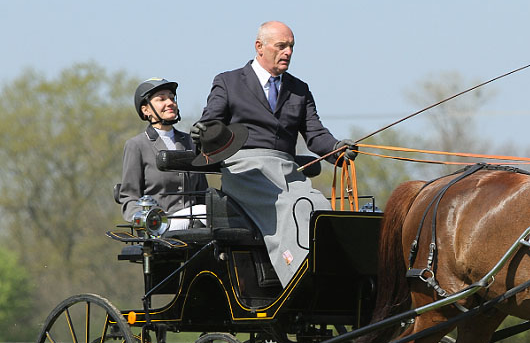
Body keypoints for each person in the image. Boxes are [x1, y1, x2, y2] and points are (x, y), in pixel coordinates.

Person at [194, 20, 356, 286]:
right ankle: (297, 276)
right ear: (260, 47)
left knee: (318, 206)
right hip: (245, 169)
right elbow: (211, 126)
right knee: (290, 206)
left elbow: (315, 135)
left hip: (287, 169)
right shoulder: (228, 82)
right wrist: (204, 134)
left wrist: (338, 149)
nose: (288, 52)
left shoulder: (299, 89)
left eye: (291, 46)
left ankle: (332, 275)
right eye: (281, 46)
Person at [119, 78, 208, 230]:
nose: (170, 102)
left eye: (172, 98)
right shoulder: (137, 145)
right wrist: (147, 221)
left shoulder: (191, 142)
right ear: (146, 110)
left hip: (197, 225)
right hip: (161, 225)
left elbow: (203, 194)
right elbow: (129, 197)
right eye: (161, 99)